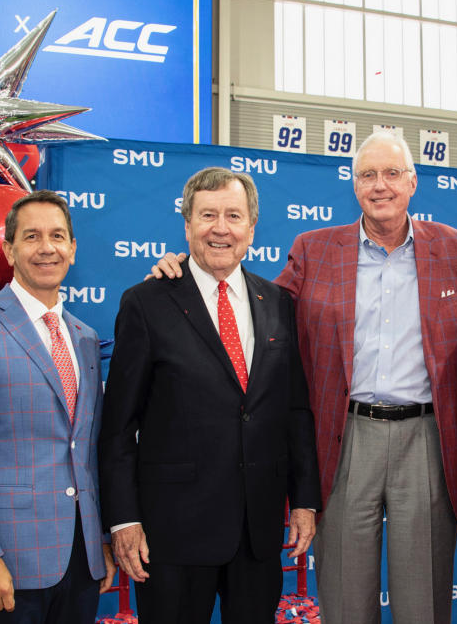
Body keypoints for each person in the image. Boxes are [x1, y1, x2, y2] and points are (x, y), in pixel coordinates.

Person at [149, 133, 457, 623]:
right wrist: (187, 279)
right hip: (343, 439)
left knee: (422, 605)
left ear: (413, 182)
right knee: (343, 602)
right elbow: (251, 308)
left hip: (425, 442)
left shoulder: (452, 247)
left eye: (392, 174)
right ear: (354, 184)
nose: (380, 186)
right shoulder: (314, 249)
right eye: (367, 175)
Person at [98, 167, 321, 624]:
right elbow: (118, 427)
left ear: (252, 229)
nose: (221, 228)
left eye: (234, 216)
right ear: (187, 226)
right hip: (172, 532)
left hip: (257, 533)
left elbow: (295, 411)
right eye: (208, 215)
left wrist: (304, 500)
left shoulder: (278, 303)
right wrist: (123, 520)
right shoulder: (146, 302)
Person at [0, 190, 116, 624]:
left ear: (72, 249)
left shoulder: (84, 337)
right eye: (31, 236)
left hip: (79, 562)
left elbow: (85, 451)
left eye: (57, 236)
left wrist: (100, 540)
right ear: (9, 249)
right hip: (4, 566)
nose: (46, 247)